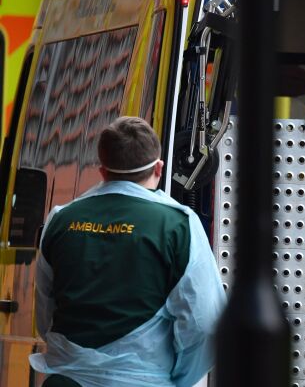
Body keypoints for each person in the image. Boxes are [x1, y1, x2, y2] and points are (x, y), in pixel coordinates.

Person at [30, 117, 226, 387]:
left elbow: (45, 314)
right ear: (159, 168)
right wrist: (178, 380)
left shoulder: (60, 220)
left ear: (103, 171)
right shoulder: (178, 225)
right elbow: (206, 324)